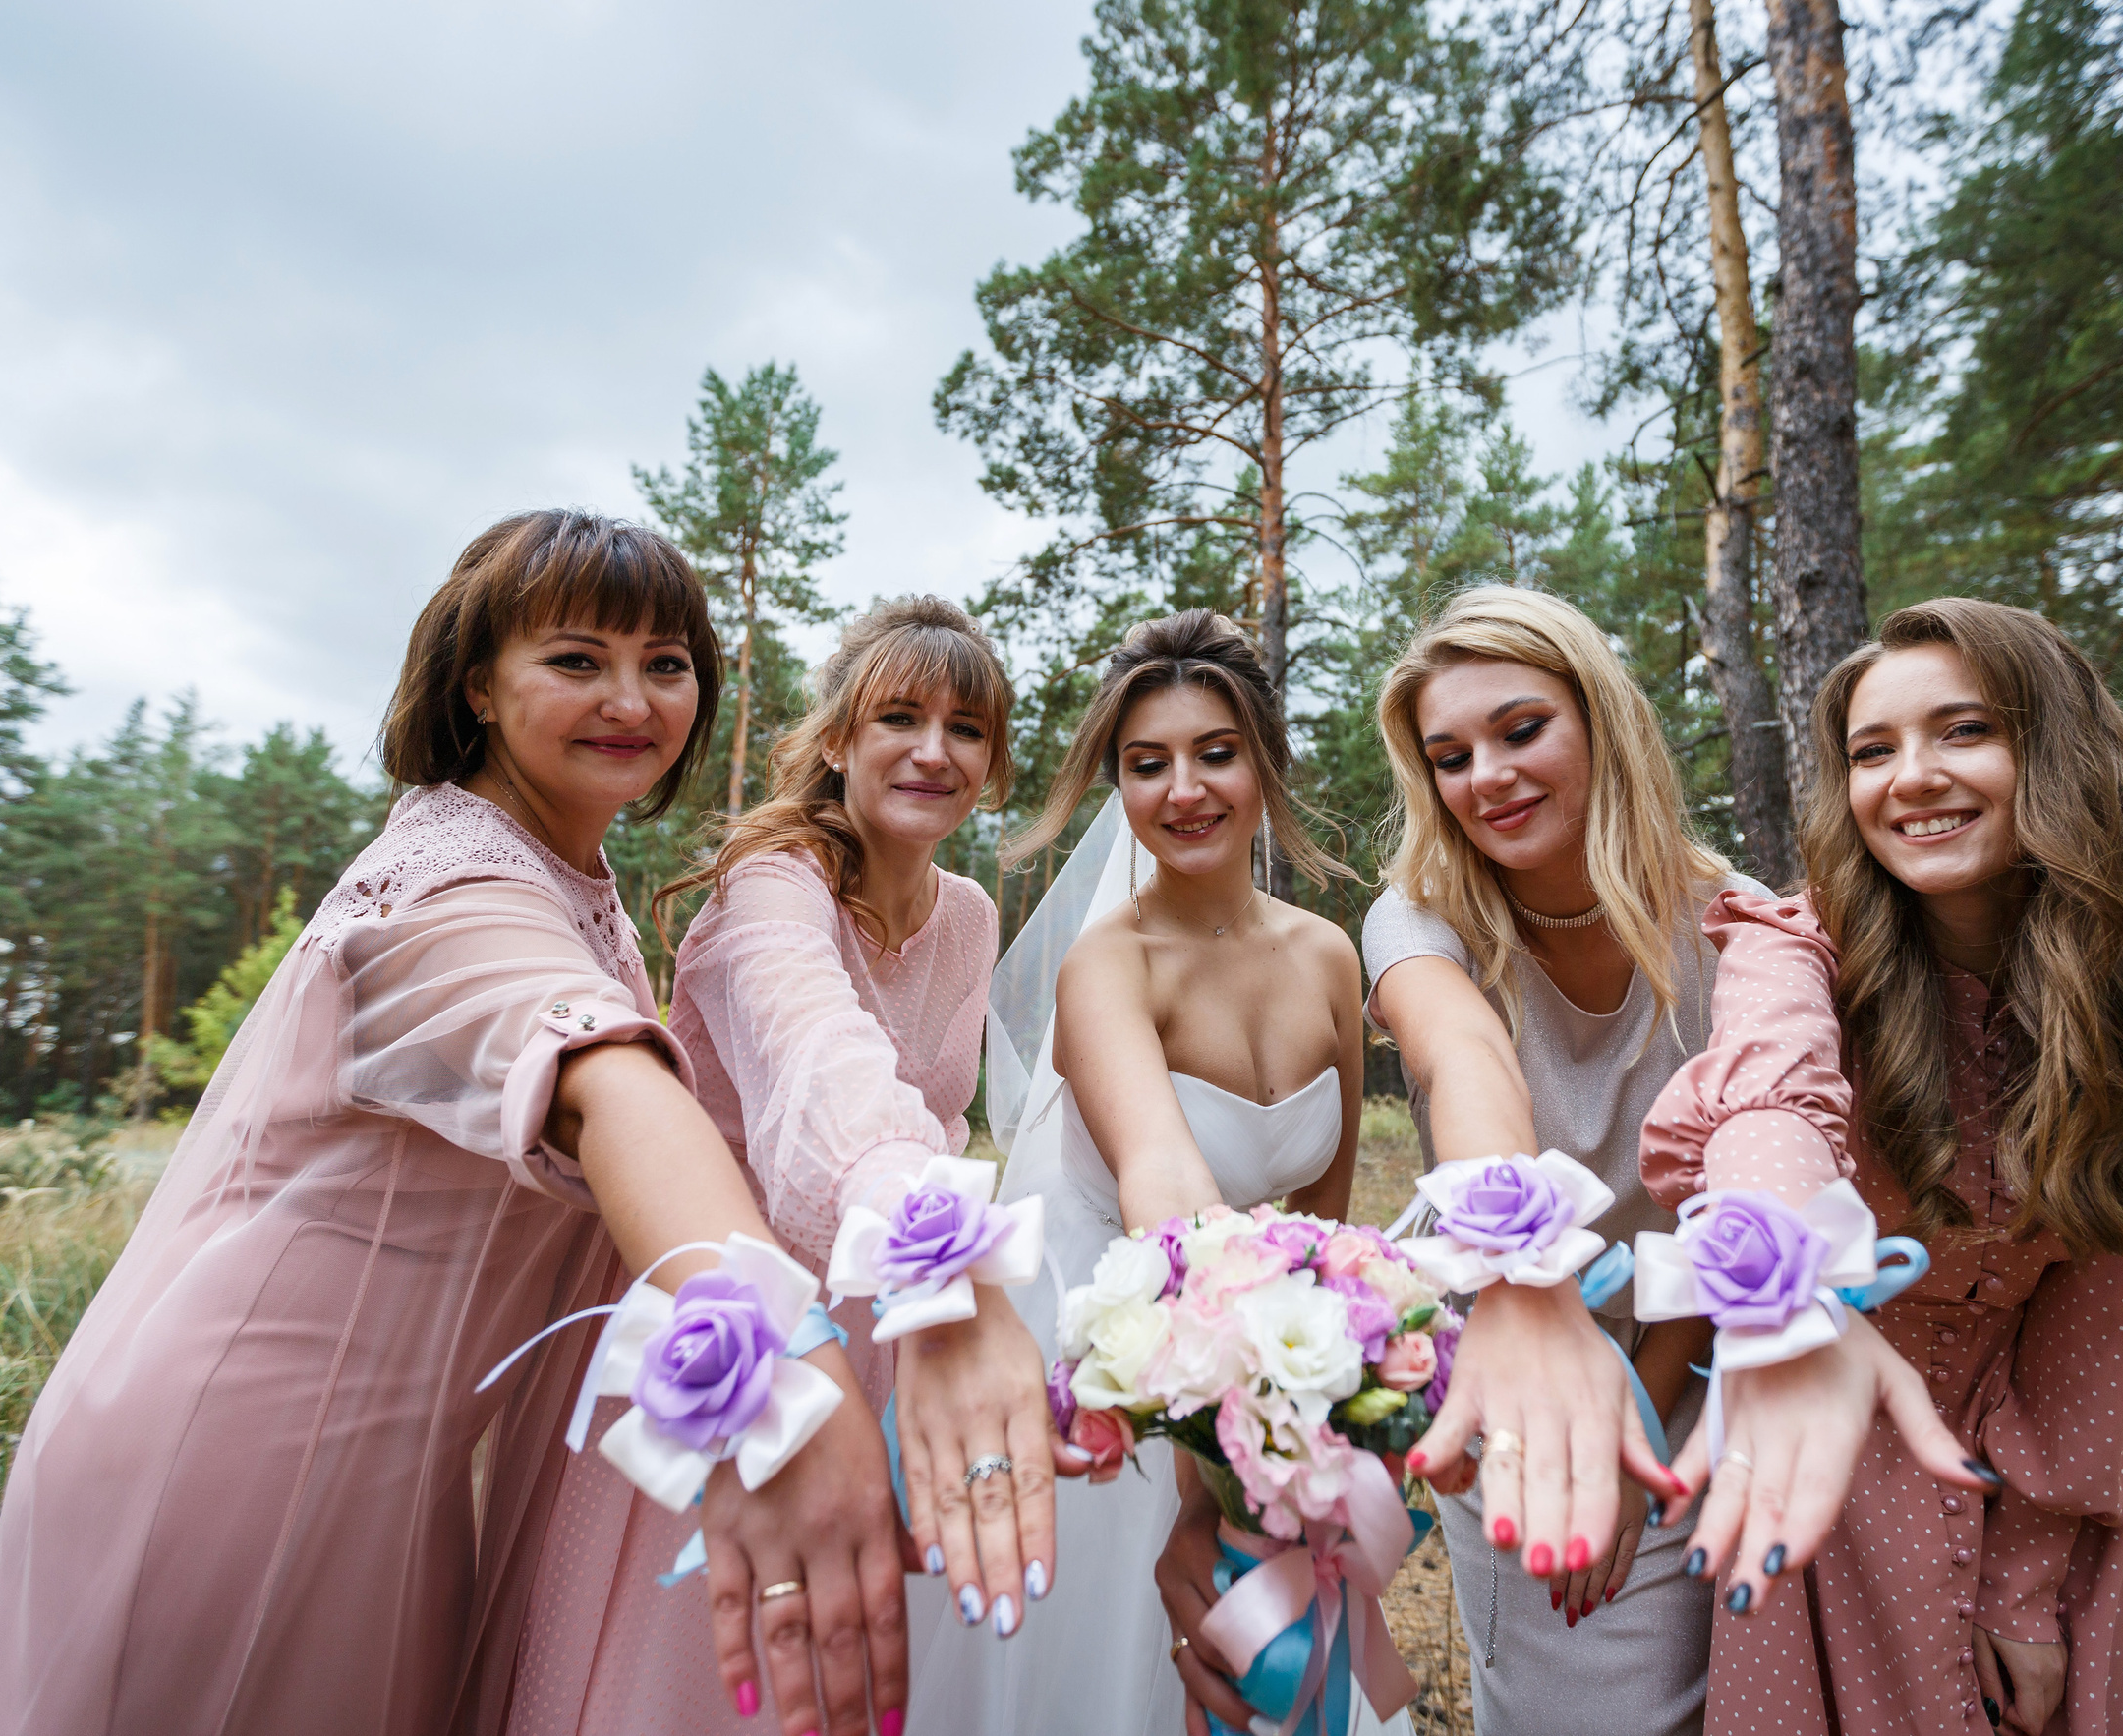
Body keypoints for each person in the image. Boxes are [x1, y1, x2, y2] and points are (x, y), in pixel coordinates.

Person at [0, 512, 912, 1736]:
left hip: (396, 1480)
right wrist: (783, 1356)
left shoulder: (572, 881)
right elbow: (609, 1082)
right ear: (477, 685)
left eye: (666, 662)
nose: (631, 696)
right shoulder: (454, 887)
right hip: (240, 1462)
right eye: (575, 659)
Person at [1640, 599, 2123, 1736]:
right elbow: (1768, 1094)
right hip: (1840, 1444)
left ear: (2054, 748)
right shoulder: (1795, 948)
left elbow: (2115, 1317)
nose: (1910, 777)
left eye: (1962, 730)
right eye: (1872, 751)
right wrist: (1798, 1299)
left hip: (2076, 1477)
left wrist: (2023, 1577)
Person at [506, 597, 1078, 1736]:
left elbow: (947, 1111)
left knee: (858, 1661)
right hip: (745, 1322)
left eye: (966, 728)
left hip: (879, 1322)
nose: (933, 749)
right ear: (836, 740)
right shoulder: (775, 882)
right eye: (899, 717)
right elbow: (827, 1068)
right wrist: (938, 1261)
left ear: (994, 762)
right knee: (718, 1679)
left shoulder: (966, 914)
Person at [907, 608, 1387, 1736]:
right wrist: (1217, 1453)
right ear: (1116, 784)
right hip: (1126, 1365)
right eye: (1146, 763)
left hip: (1267, 1360)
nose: (1184, 789)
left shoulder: (1327, 954)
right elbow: (1162, 1185)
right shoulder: (1106, 966)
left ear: (1263, 760)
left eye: (1215, 751)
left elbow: (1324, 1220)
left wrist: (1318, 1414)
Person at [1355, 584, 1751, 1734]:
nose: (1486, 775)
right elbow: (1465, 1059)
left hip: (1697, 1369)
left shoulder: (1737, 925)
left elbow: (1714, 1221)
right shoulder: (1418, 918)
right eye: (1449, 754)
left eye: (1521, 729)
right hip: (1510, 1367)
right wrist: (1525, 1279)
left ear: (1600, 721)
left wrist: (1640, 1418)